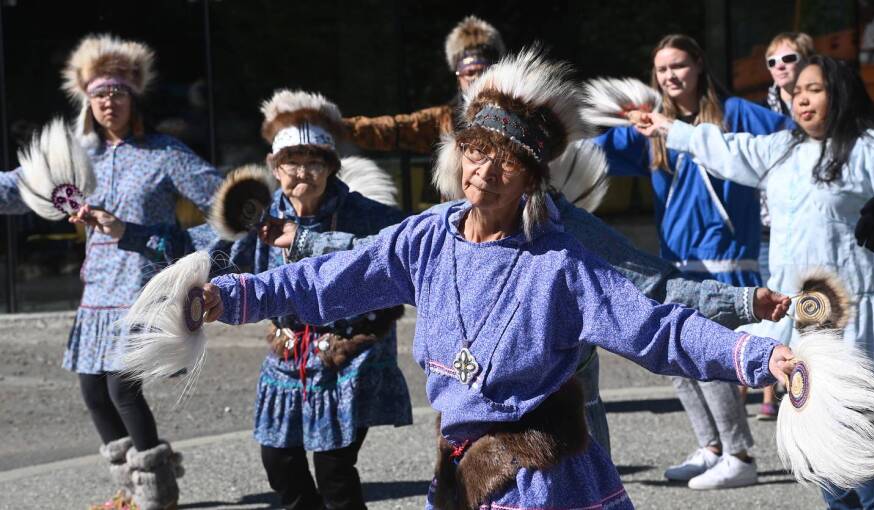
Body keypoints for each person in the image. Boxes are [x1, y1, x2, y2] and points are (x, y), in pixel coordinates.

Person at [165, 48, 796, 509]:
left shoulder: (560, 261)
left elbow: (657, 327)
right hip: (459, 475)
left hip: (547, 484)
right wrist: (232, 295)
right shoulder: (429, 237)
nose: (485, 172)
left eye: (506, 162)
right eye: (475, 151)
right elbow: (328, 279)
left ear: (530, 178)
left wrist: (761, 356)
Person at [79, 89, 413, 510]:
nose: (303, 172)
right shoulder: (259, 215)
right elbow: (191, 245)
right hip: (289, 350)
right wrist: (124, 231)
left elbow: (396, 254)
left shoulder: (364, 213)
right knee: (280, 464)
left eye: (315, 162)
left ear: (331, 166)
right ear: (275, 165)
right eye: (292, 161)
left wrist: (306, 240)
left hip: (351, 351)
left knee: (334, 472)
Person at [636, 54, 874, 510]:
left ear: (841, 92)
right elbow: (730, 149)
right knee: (823, 455)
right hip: (808, 330)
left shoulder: (870, 147)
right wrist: (668, 128)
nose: (802, 100)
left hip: (858, 329)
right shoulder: (783, 150)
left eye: (815, 90)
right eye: (797, 92)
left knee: (866, 459)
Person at [590, 34, 792, 489]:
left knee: (710, 358)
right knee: (675, 359)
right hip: (675, 262)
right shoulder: (647, 129)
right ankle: (712, 447)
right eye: (662, 70)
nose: (670, 76)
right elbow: (595, 151)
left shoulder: (737, 113)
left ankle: (739, 454)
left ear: (698, 65)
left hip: (725, 260)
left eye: (678, 65)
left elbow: (791, 140)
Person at [55, 34, 223, 510]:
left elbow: (227, 204)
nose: (110, 101)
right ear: (88, 101)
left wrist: (181, 254)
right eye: (101, 93)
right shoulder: (81, 155)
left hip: (141, 288)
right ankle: (131, 490)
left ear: (134, 98)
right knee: (93, 390)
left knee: (121, 387)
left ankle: (157, 494)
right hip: (97, 290)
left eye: (119, 92)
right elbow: (26, 184)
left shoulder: (164, 152)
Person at [756, 31, 815, 420]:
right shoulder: (766, 110)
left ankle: (803, 390)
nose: (779, 67)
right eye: (772, 61)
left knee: (809, 312)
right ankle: (771, 389)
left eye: (788, 58)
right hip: (769, 226)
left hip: (807, 228)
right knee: (774, 308)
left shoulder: (818, 106)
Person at [343, 15, 504, 154]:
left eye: (483, 71)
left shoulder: (512, 113)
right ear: (458, 77)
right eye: (469, 72)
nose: (476, 78)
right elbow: (394, 129)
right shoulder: (444, 120)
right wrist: (341, 127)